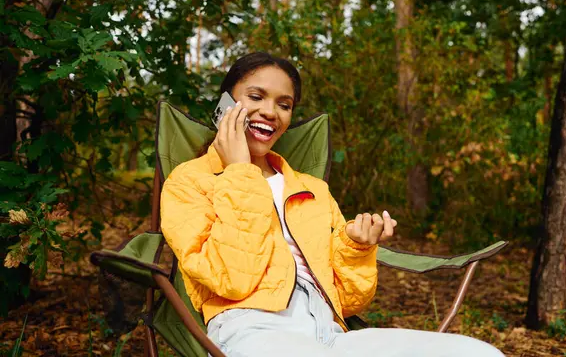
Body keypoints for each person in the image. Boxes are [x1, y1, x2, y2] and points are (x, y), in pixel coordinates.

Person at [160, 52, 504, 357]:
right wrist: (238, 171)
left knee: (479, 352)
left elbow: (349, 301)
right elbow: (232, 279)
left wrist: (356, 247)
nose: (270, 111)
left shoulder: (312, 189)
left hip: (332, 334)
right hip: (252, 331)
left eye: (284, 104)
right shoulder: (189, 183)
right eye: (255, 96)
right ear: (225, 103)